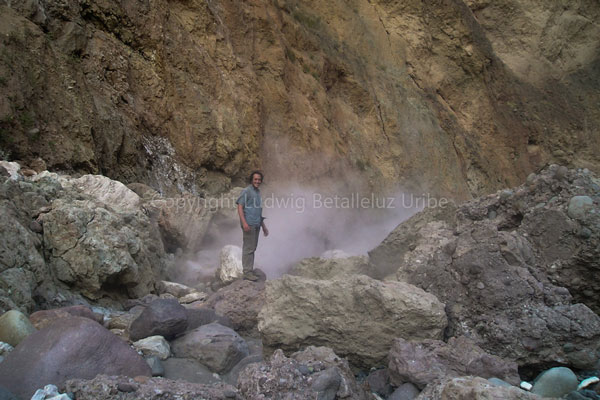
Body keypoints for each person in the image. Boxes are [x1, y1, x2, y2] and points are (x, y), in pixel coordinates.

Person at [236, 170, 269, 281]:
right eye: (255, 179)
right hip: (249, 223)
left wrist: (263, 226)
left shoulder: (258, 192)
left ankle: (249, 270)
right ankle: (247, 272)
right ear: (251, 180)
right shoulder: (247, 191)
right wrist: (244, 222)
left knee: (253, 248)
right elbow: (240, 207)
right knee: (248, 248)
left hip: (256, 224)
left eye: (259, 180)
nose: (257, 181)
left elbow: (258, 211)